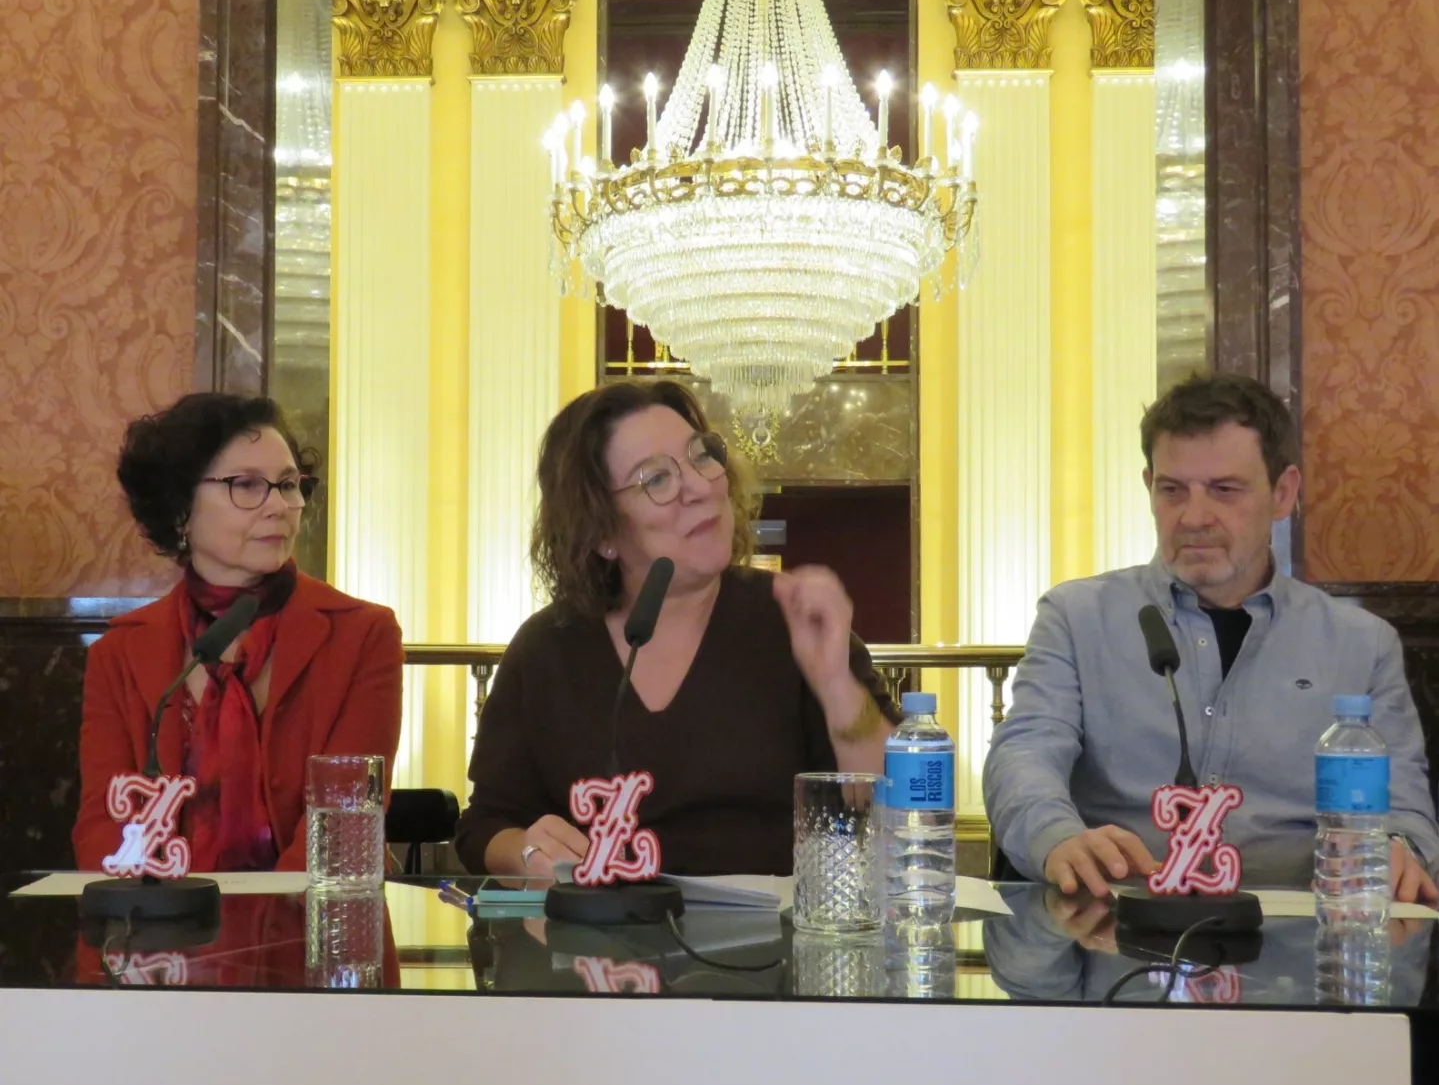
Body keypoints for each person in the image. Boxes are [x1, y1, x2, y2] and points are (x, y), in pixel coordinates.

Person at [984, 374, 1439, 901]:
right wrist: (1056, 836)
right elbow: (1025, 753)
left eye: (1224, 490)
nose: (1194, 517)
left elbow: (1405, 812)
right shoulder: (1076, 617)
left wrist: (1398, 850)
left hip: (1299, 933)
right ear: (1149, 487)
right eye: (1172, 490)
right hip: (1116, 922)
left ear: (1283, 493)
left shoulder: (1362, 644)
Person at [453, 379, 897, 879]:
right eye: (657, 479)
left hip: (774, 927)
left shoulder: (789, 617)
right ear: (600, 531)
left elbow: (898, 808)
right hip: (601, 928)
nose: (701, 487)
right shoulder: (546, 648)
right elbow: (484, 825)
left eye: (701, 456)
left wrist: (837, 684)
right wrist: (527, 851)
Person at [73, 393, 404, 872]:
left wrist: (261, 916)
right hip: (162, 914)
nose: (280, 506)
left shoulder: (361, 634)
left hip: (313, 913)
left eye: (288, 485)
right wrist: (150, 907)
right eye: (246, 485)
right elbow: (104, 821)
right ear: (180, 508)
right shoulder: (120, 651)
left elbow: (345, 825)